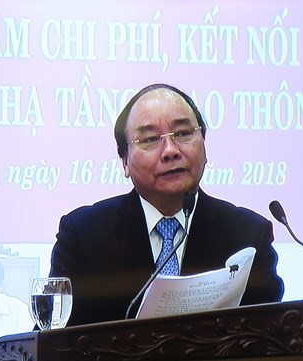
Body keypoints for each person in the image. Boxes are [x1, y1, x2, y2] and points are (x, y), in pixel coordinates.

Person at [49, 83, 284, 326]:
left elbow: (271, 336)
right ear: (125, 162)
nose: (170, 151)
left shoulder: (248, 235)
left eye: (183, 134)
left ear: (204, 145)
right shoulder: (84, 236)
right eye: (150, 139)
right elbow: (52, 339)